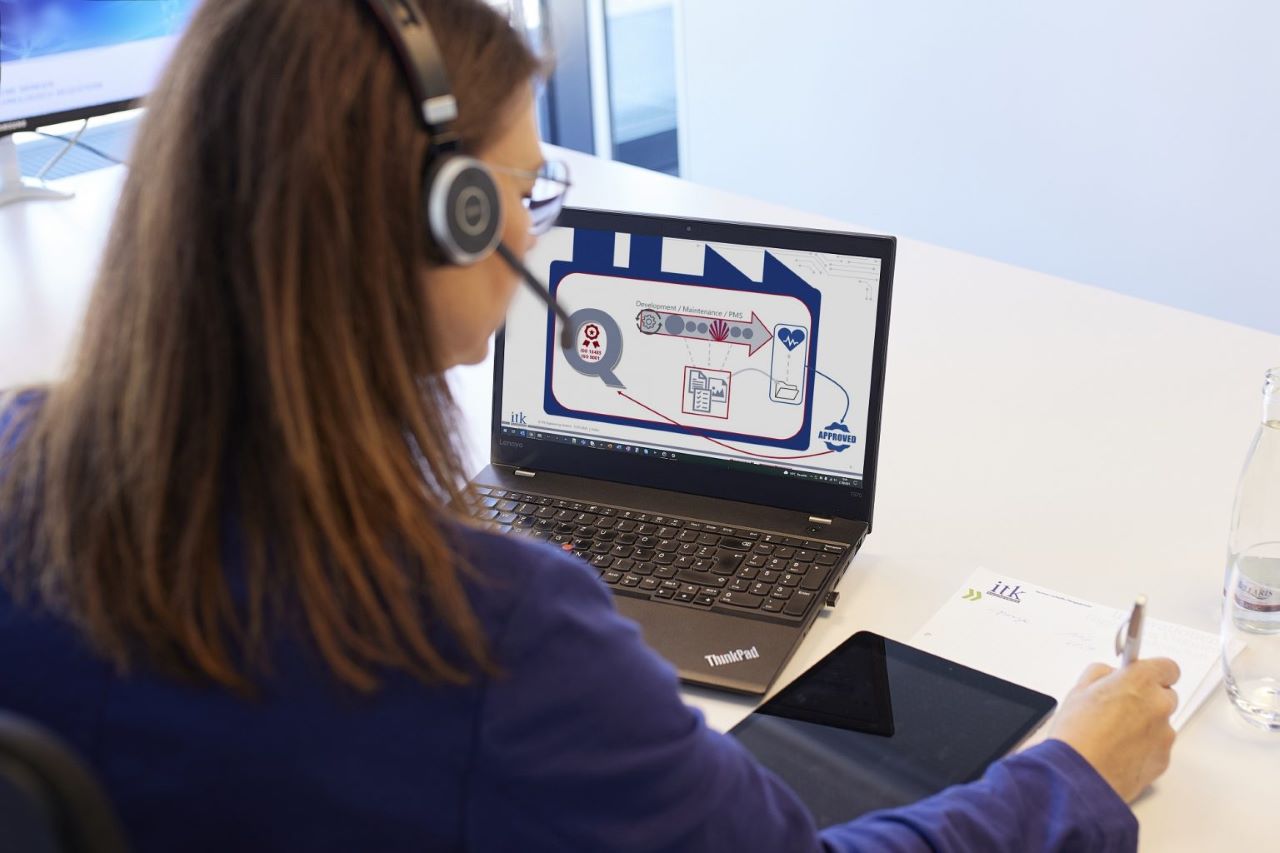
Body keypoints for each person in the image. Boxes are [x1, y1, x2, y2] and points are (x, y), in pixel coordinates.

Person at [0, 1, 1180, 850]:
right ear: (440, 223)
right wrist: (1073, 775)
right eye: (524, 192)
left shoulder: (20, 467)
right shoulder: (488, 633)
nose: (539, 232)